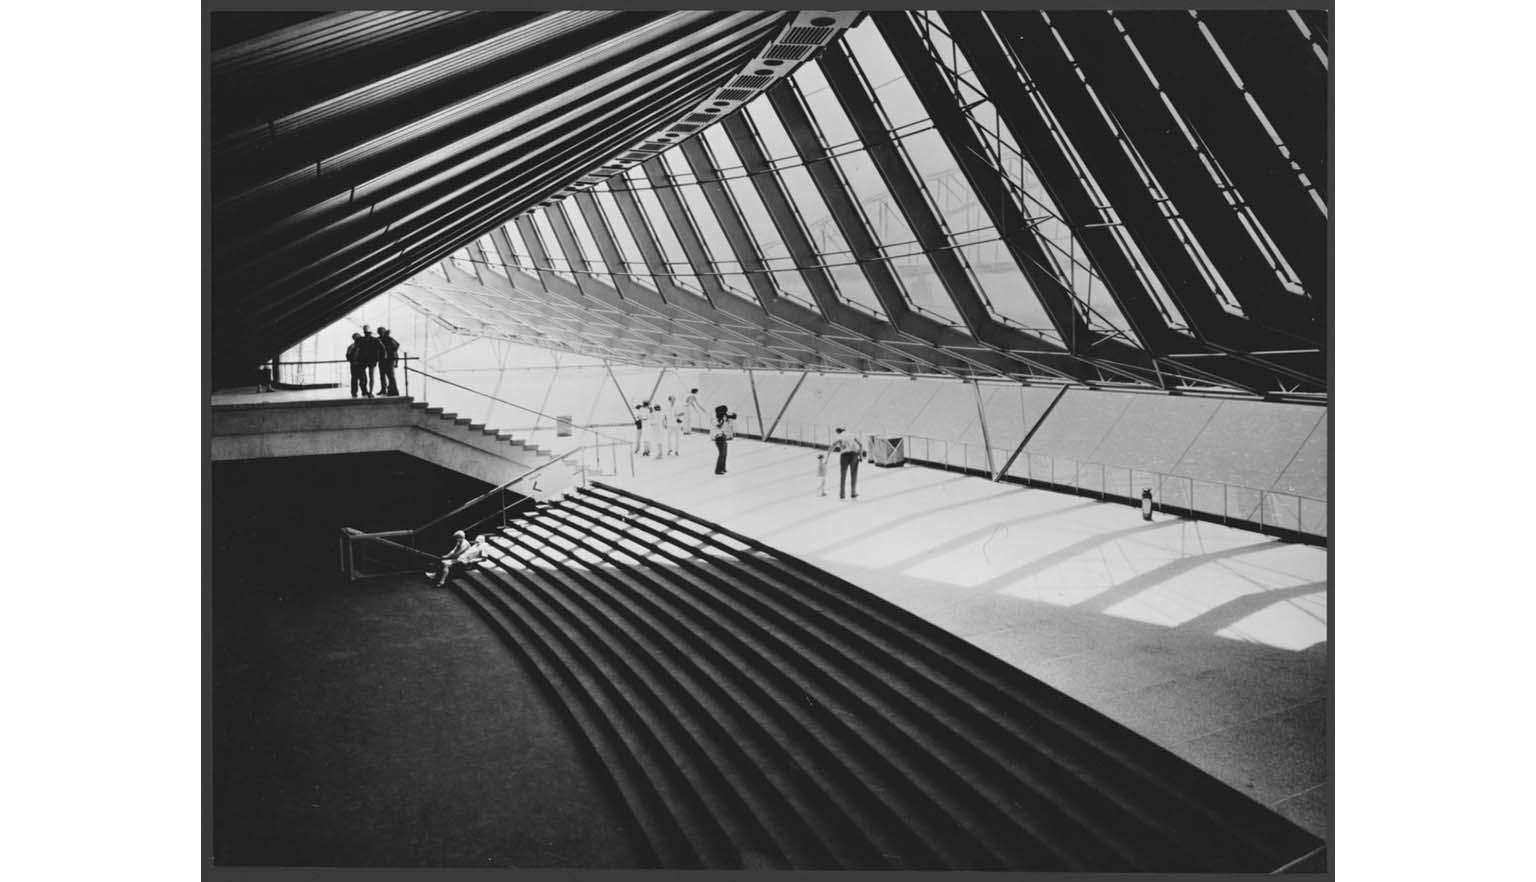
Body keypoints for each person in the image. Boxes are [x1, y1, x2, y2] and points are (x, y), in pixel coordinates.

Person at [828, 427, 865, 499]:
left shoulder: (839, 436)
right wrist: (860, 456)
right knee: (854, 474)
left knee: (843, 475)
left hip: (844, 456)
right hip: (854, 454)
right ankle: (853, 492)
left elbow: (833, 446)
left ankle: (842, 494)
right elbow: (860, 445)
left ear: (838, 432)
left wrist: (828, 456)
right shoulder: (852, 434)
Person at [355, 325, 384, 397]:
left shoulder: (360, 340)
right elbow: (383, 349)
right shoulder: (375, 340)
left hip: (364, 360)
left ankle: (367, 391)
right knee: (369, 376)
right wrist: (380, 358)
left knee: (364, 377)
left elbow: (357, 350)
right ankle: (369, 392)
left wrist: (355, 359)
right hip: (370, 360)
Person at [377, 327, 400, 396]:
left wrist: (390, 352)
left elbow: (396, 345)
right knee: (382, 376)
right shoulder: (378, 339)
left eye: (382, 331)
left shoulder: (389, 338)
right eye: (379, 331)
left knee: (390, 376)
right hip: (382, 360)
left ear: (384, 332)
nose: (380, 333)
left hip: (389, 360)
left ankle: (394, 391)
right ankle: (383, 390)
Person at [346, 333, 365, 398]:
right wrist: (353, 361)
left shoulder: (362, 346)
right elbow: (348, 356)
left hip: (360, 364)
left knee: (362, 378)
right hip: (354, 364)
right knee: (355, 378)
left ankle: (363, 391)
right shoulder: (351, 347)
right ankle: (354, 392)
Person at [710, 411, 730, 475]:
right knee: (721, 454)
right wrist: (723, 420)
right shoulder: (715, 420)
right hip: (718, 438)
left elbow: (724, 427)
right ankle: (718, 470)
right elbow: (719, 426)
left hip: (723, 437)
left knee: (725, 454)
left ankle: (723, 468)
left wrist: (726, 420)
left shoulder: (722, 420)